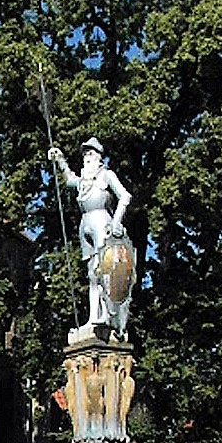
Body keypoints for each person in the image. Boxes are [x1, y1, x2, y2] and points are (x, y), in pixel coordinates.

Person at [48, 138, 133, 333]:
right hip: (85, 224)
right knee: (91, 274)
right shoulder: (84, 180)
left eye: (90, 153)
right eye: (85, 154)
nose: (86, 157)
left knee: (104, 270)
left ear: (98, 157)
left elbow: (125, 196)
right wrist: (60, 160)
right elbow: (69, 180)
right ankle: (93, 317)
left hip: (101, 221)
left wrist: (116, 221)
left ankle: (107, 315)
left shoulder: (106, 175)